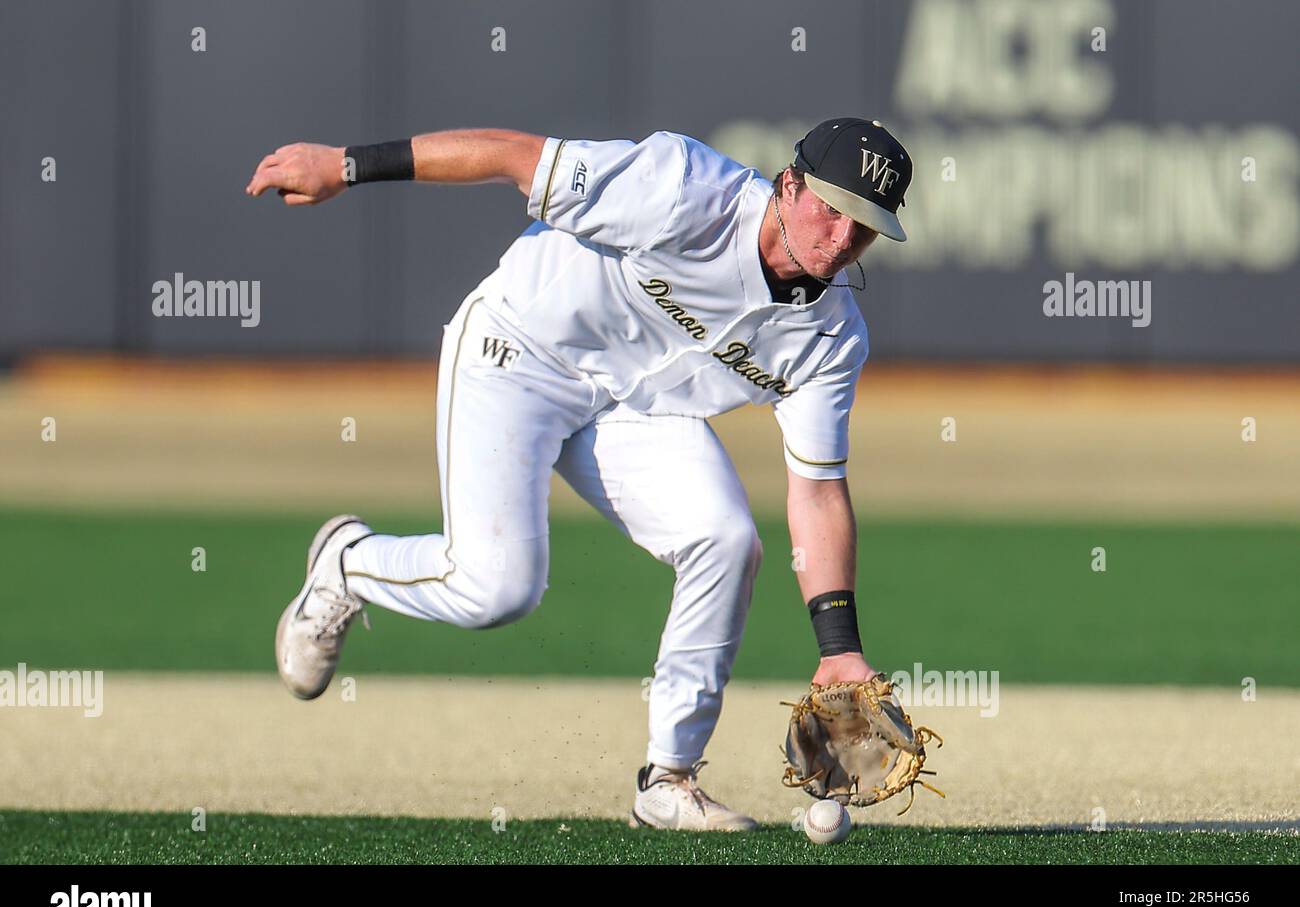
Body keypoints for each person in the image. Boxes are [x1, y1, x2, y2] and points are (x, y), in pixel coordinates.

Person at [246, 117, 913, 831]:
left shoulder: (833, 335)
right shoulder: (684, 189)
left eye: (865, 228)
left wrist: (839, 649)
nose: (842, 240)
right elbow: (511, 157)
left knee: (725, 539)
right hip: (522, 351)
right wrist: (345, 165)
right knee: (496, 587)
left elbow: (816, 490)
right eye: (833, 209)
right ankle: (347, 565)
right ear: (790, 183)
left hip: (635, 409)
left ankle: (668, 779)